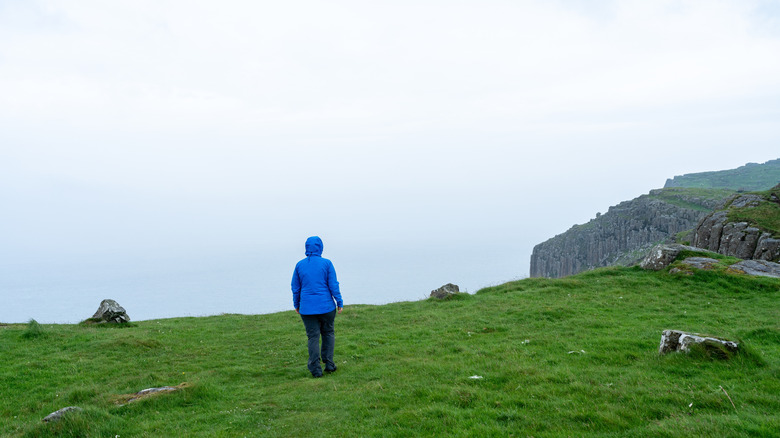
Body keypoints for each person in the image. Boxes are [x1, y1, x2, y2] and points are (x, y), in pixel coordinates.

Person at [291, 236, 343, 378]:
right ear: (321, 247)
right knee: (328, 333)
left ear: (306, 247)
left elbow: (295, 288)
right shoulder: (327, 263)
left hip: (307, 309)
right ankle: (329, 364)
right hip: (327, 307)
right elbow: (333, 285)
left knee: (313, 337)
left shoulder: (299, 265)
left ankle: (315, 369)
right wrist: (339, 302)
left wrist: (297, 304)